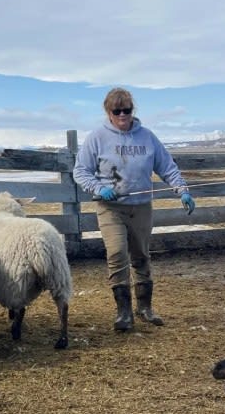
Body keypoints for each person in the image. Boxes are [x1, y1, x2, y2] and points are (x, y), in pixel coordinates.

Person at [72, 87, 195, 331]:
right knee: (117, 254)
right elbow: (80, 171)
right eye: (116, 111)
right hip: (110, 207)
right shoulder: (97, 138)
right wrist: (98, 187)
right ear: (108, 112)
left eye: (126, 110)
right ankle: (123, 312)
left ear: (132, 110)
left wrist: (182, 190)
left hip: (140, 207)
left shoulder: (147, 137)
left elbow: (167, 166)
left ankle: (145, 307)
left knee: (140, 255)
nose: (122, 115)